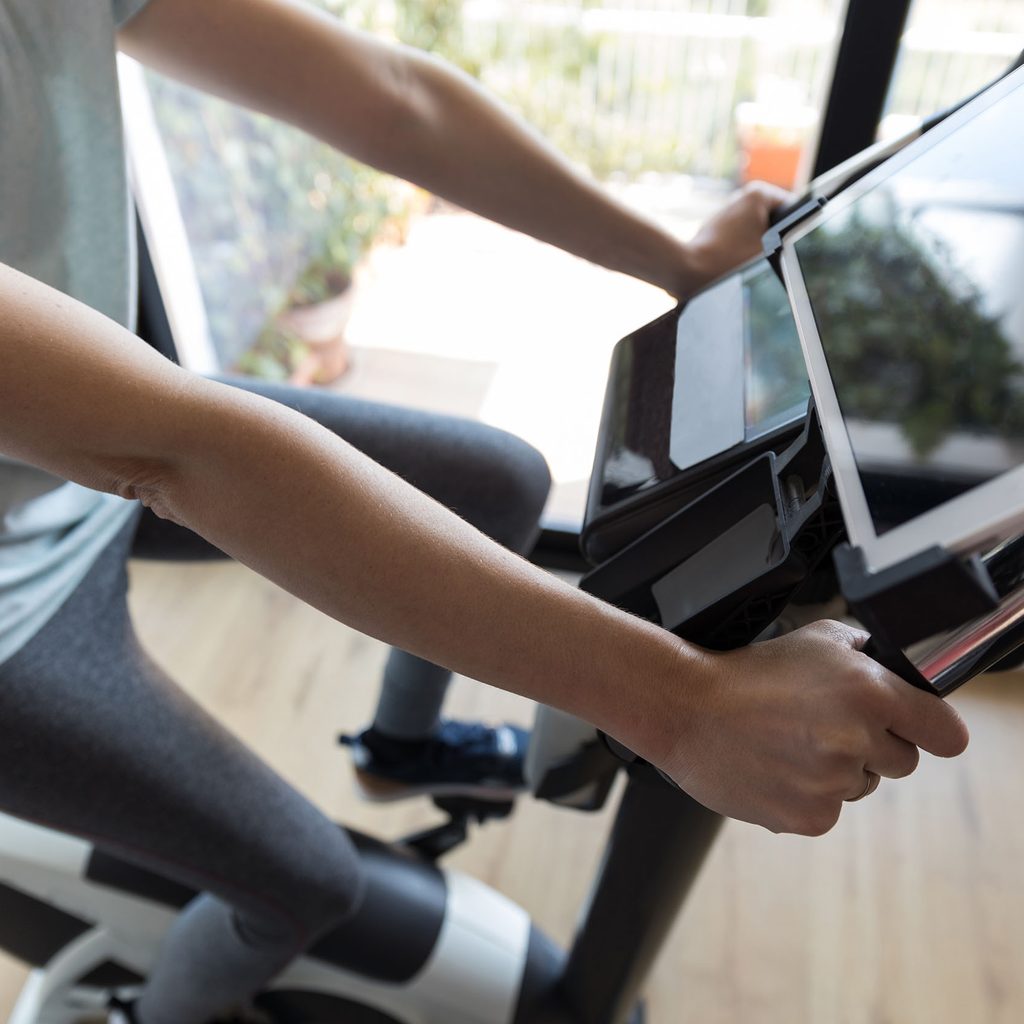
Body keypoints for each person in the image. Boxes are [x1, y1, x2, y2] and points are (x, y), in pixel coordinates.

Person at [0, 1, 969, 1022]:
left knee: (499, 480)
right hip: (24, 600)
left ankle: (399, 749)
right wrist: (680, 706)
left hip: (81, 455)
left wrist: (678, 262)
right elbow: (174, 455)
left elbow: (397, 101)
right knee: (302, 888)